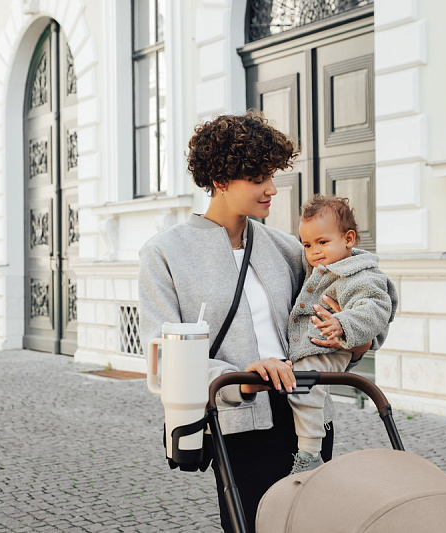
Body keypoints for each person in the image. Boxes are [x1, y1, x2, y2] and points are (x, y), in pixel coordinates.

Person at [138, 112, 371, 532]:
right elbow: (164, 357)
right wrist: (242, 379)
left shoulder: (289, 249)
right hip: (239, 422)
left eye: (272, 175)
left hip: (307, 414)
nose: (272, 189)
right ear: (219, 180)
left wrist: (356, 338)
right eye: (257, 178)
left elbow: (342, 304)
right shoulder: (165, 254)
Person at [287, 195, 398, 474]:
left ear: (348, 239)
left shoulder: (360, 275)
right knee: (302, 389)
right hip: (315, 347)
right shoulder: (324, 269)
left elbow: (375, 307)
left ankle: (310, 453)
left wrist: (343, 323)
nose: (314, 251)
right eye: (307, 245)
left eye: (322, 242)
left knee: (305, 389)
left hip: (332, 347)